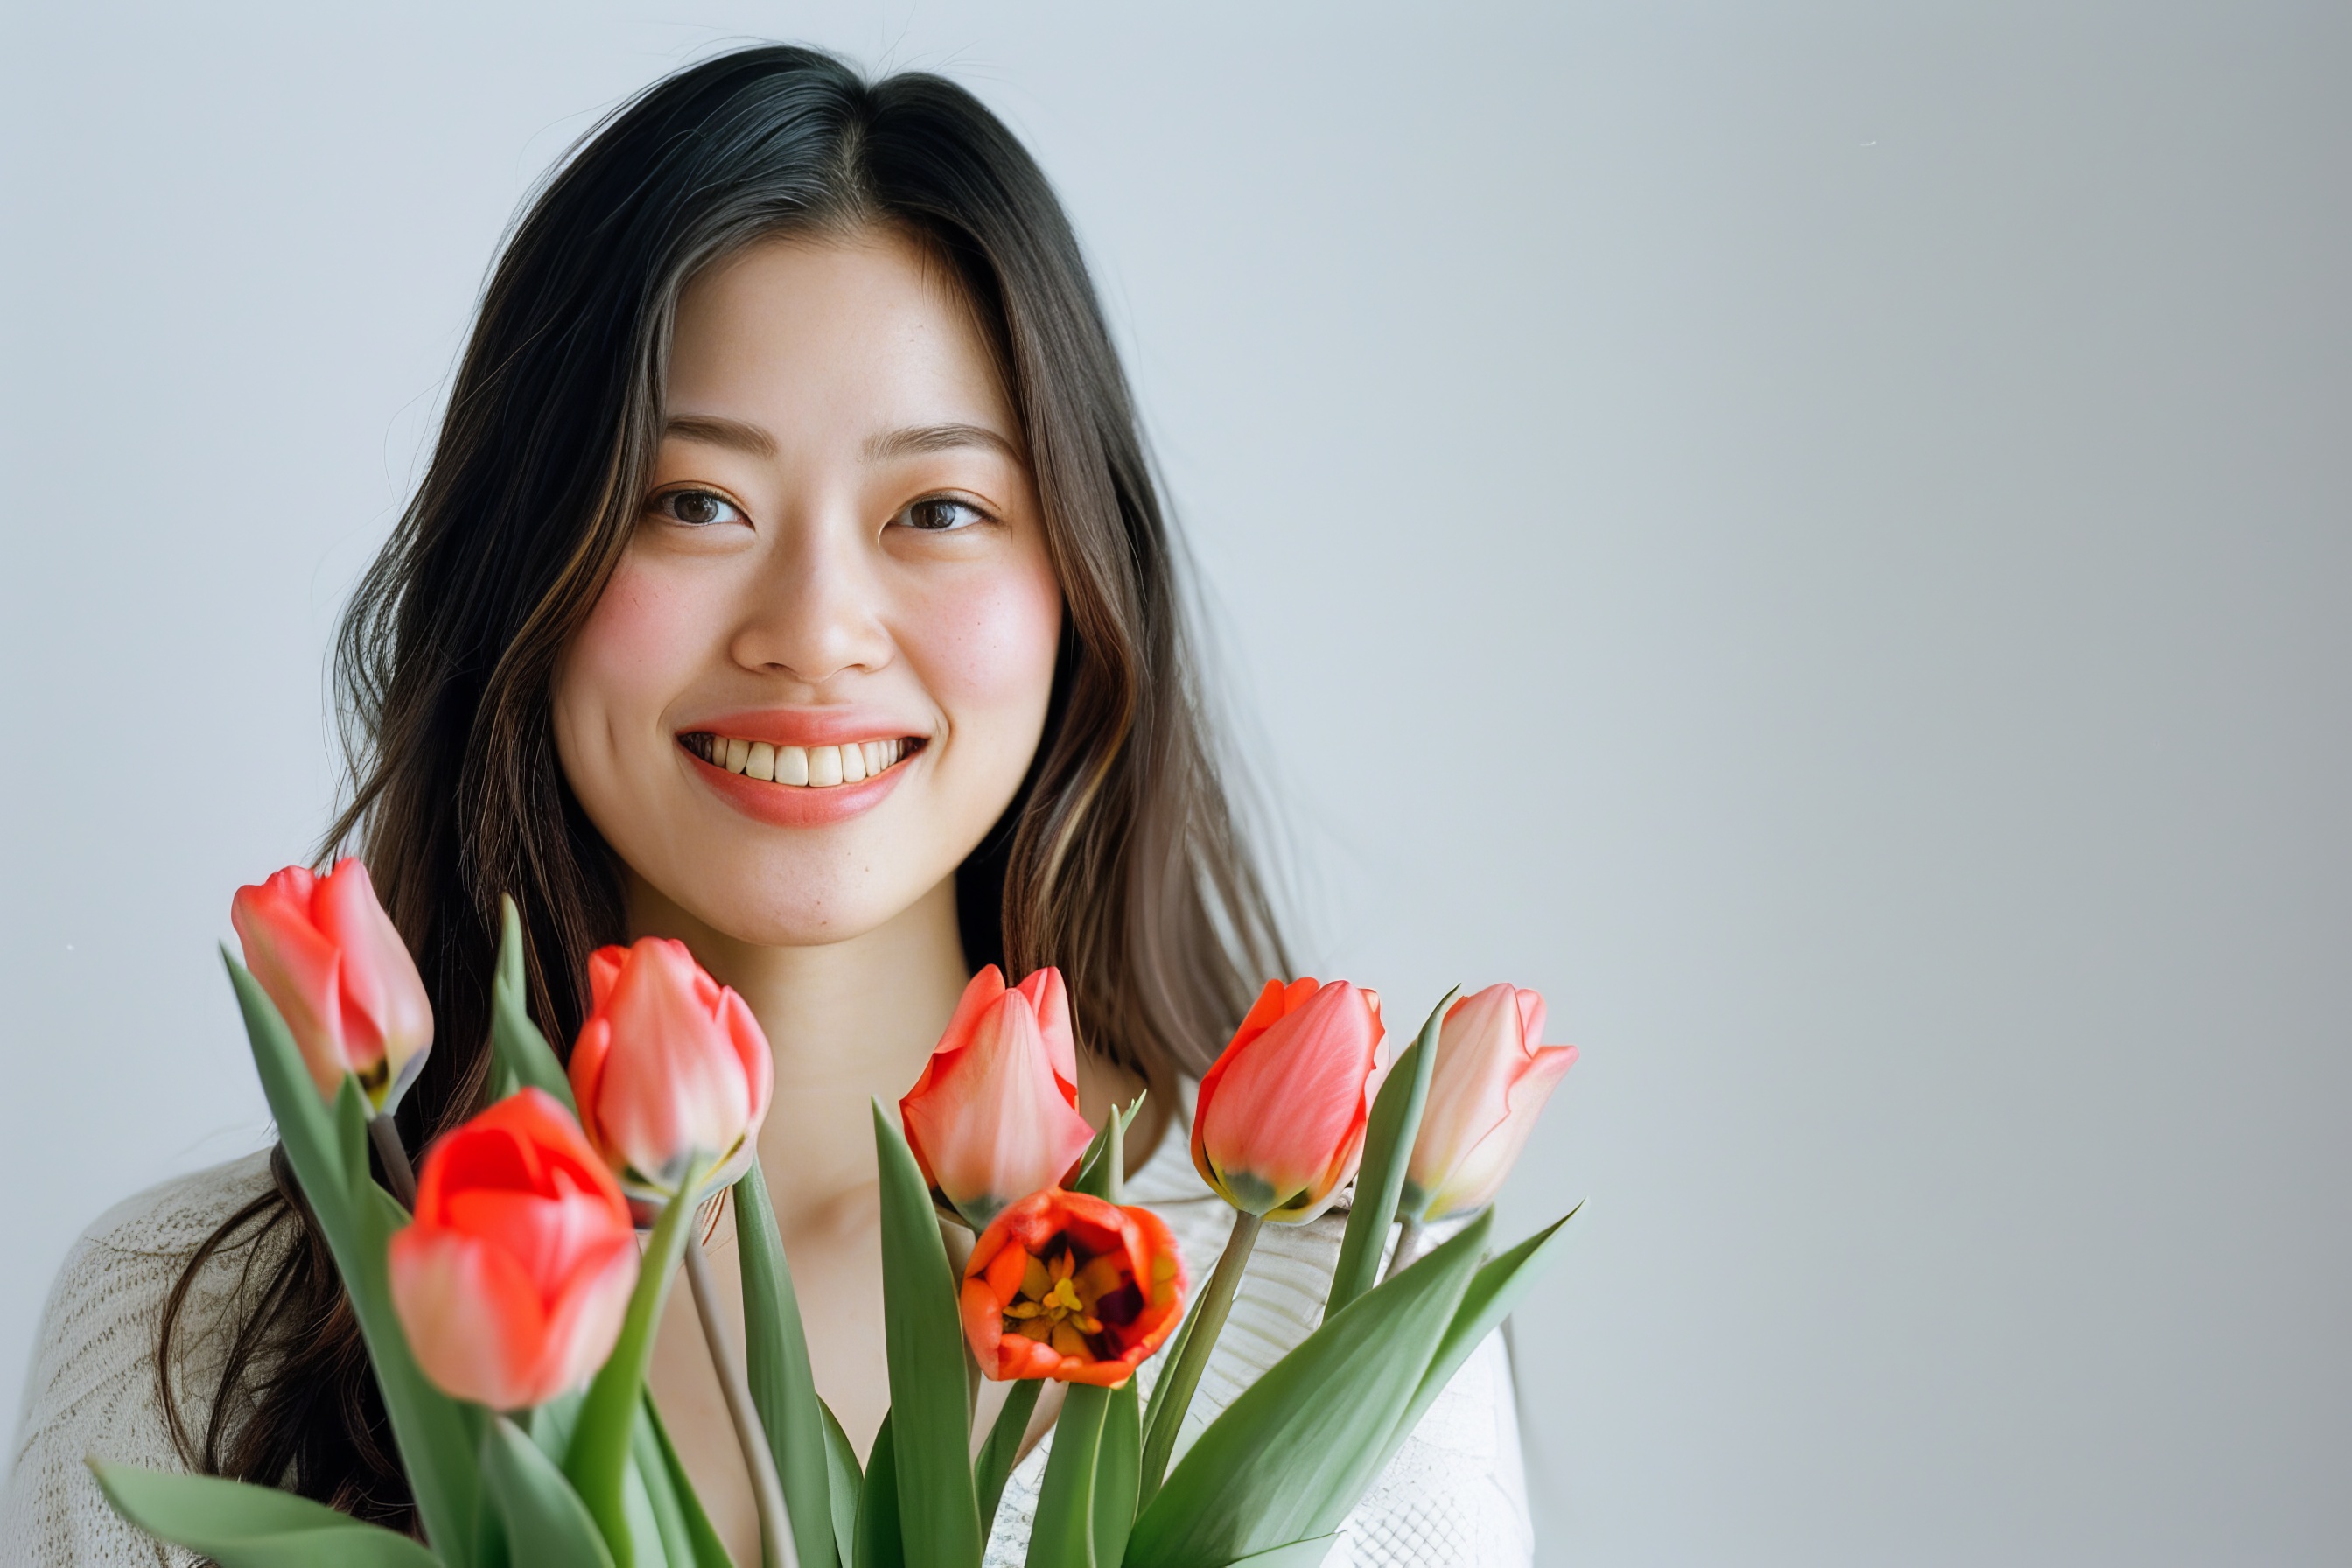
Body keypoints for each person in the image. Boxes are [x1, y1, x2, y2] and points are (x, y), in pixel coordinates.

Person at [1, 46, 1532, 1567]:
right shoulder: (192, 1338)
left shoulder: (1328, 1328)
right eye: (693, 505)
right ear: (522, 568)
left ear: (1080, 588)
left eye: (939, 510)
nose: (813, 626)